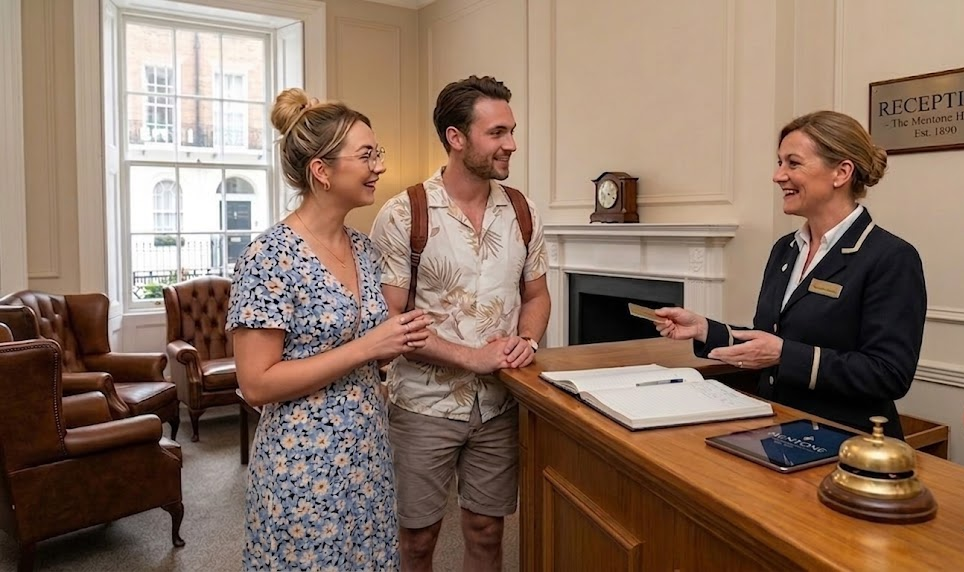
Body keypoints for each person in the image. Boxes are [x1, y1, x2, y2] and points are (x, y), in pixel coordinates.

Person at [227, 88, 432, 570]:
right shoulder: (268, 257)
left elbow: (366, 347)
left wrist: (395, 342)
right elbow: (256, 384)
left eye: (377, 153)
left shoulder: (364, 249)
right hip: (303, 466)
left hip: (368, 454)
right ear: (321, 170)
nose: (379, 166)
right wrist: (367, 348)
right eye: (367, 155)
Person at [369, 75, 550, 571]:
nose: (511, 144)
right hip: (423, 406)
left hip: (500, 404)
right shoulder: (404, 213)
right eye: (497, 133)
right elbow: (391, 321)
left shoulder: (523, 211)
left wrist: (527, 340)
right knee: (419, 540)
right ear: (456, 137)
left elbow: (536, 295)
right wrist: (471, 356)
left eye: (511, 130)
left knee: (488, 532)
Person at [655, 110, 926, 439]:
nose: (778, 175)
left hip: (848, 445)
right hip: (778, 430)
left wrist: (784, 355)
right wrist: (704, 329)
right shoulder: (786, 249)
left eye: (792, 163)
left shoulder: (890, 257)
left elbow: (889, 374)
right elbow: (771, 337)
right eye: (779, 162)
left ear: (841, 172)